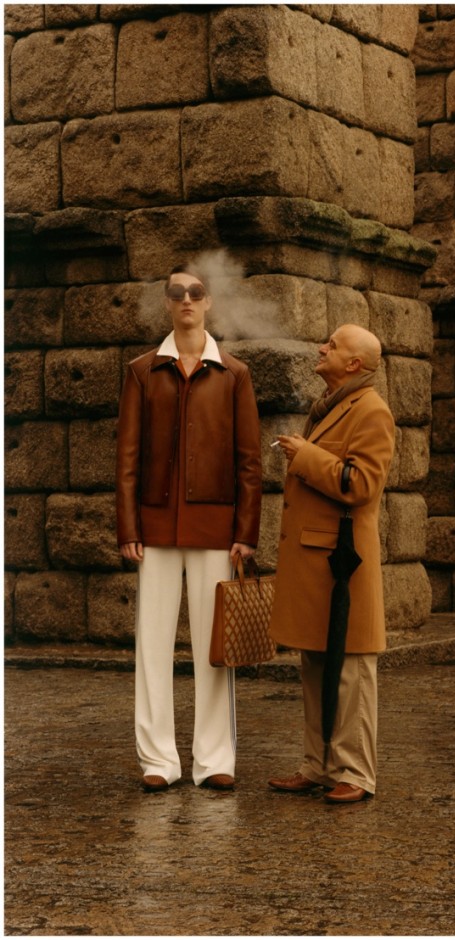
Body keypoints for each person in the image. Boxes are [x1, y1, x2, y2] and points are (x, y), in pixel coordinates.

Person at [116, 263, 262, 792]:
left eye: (195, 292)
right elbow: (127, 457)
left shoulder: (234, 374)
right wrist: (128, 525)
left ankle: (214, 759)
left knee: (214, 647)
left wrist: (246, 530)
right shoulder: (141, 371)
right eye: (176, 292)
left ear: (208, 301)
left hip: (215, 528)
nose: (186, 300)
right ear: (167, 302)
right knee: (151, 645)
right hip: (154, 527)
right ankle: (158, 761)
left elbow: (250, 462)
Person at [268, 324, 395, 803]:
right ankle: (318, 766)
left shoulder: (372, 411)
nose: (322, 348)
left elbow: (361, 485)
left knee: (352, 669)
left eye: (333, 345)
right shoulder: (332, 404)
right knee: (316, 664)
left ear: (354, 364)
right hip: (318, 563)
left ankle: (355, 773)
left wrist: (306, 456)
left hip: (345, 566)